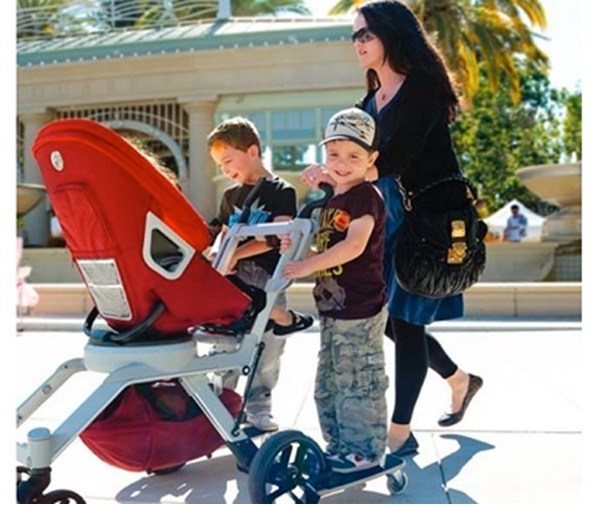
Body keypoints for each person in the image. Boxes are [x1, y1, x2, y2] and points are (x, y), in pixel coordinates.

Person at [302, 0, 483, 457]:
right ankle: (459, 379)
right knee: (388, 320)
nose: (358, 43)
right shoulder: (368, 101)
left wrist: (342, 174)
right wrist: (331, 174)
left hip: (429, 222)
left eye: (366, 34)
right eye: (354, 36)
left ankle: (399, 433)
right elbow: (360, 161)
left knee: (407, 325)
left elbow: (395, 159)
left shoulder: (422, 88)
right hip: (390, 218)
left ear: (391, 34)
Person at [282, 107, 388, 473]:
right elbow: (328, 252)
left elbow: (354, 246)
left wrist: (306, 265)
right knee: (330, 384)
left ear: (371, 159)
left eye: (354, 156)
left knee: (358, 381)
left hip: (359, 309)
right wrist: (299, 253)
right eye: (334, 155)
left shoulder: (365, 196)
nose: (342, 163)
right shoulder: (332, 201)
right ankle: (340, 446)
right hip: (333, 309)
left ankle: (365, 451)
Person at [207, 116, 314, 432]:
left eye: (228, 161)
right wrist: (219, 252)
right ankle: (217, 401)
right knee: (227, 339)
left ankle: (259, 409)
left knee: (266, 347)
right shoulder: (231, 196)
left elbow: (275, 238)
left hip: (267, 278)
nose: (226, 170)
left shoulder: (281, 191)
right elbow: (223, 232)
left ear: (252, 151)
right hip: (235, 280)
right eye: (220, 165)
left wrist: (236, 253)